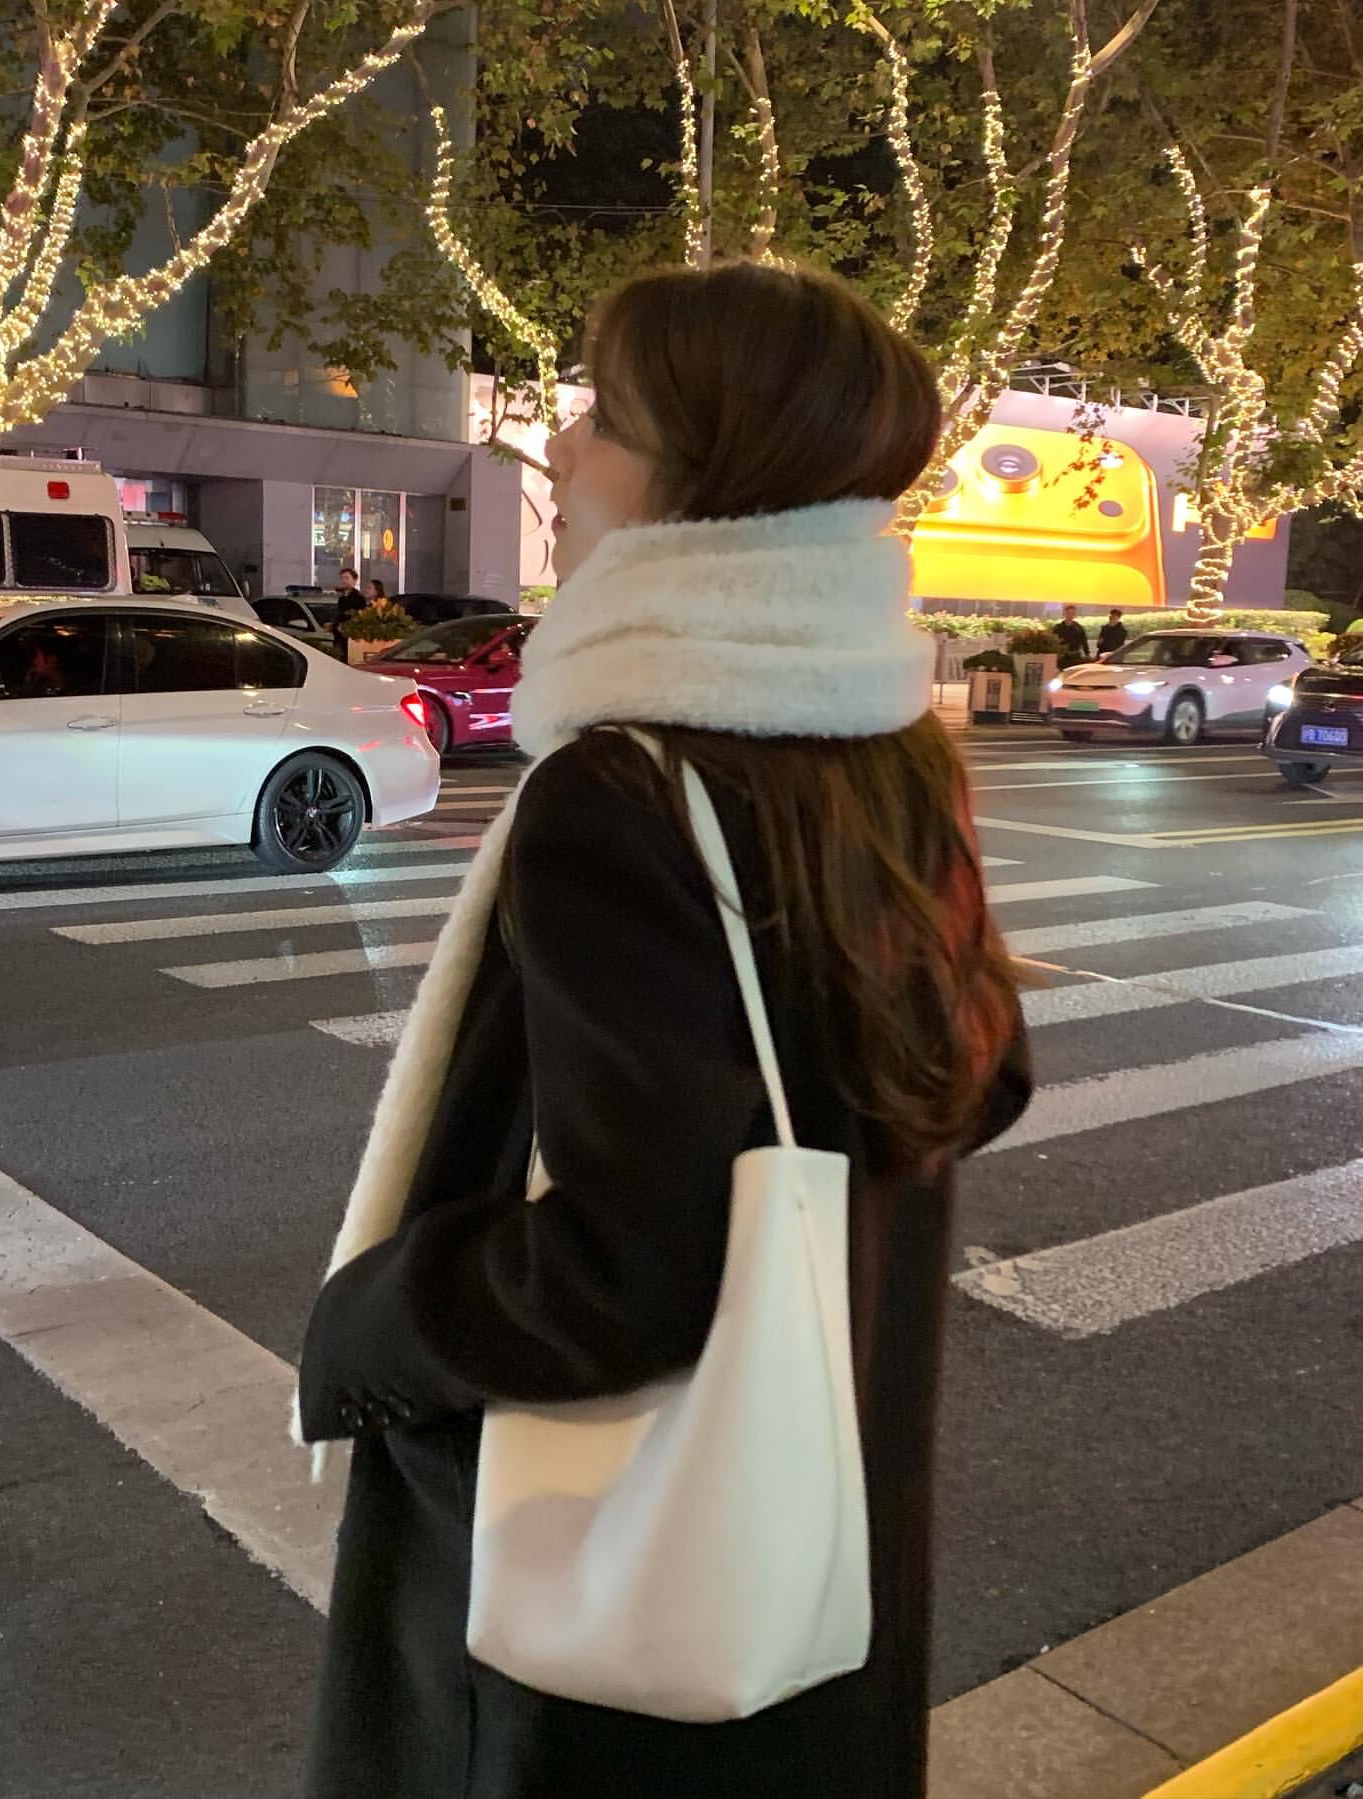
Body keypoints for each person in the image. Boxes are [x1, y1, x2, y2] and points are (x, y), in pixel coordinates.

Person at [297, 260, 1032, 1799]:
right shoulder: (891, 748)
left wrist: (373, 1323)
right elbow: (985, 1076)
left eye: (606, 418)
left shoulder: (622, 788)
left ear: (708, 487)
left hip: (593, 1626)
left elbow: (627, 1270)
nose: (559, 448)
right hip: (820, 1527)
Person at [331, 567, 363, 654]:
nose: (344, 581)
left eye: (347, 578)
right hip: (338, 635)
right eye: (342, 578)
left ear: (354, 580)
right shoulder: (342, 598)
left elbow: (357, 616)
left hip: (350, 636)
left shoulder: (358, 598)